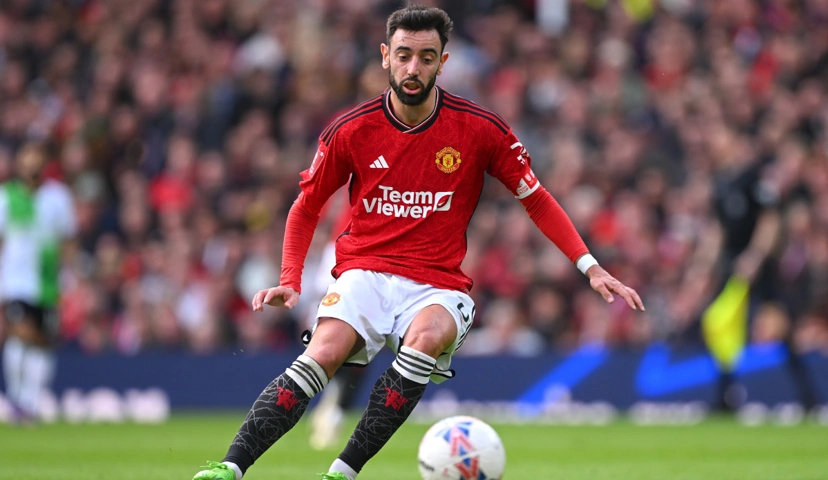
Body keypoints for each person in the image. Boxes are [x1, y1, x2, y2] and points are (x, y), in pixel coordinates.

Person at [193, 5, 643, 480]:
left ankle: (340, 473)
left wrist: (590, 266)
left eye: (426, 57)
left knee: (424, 340)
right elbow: (306, 206)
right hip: (364, 270)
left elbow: (536, 200)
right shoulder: (351, 129)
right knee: (324, 352)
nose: (414, 68)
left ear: (442, 62)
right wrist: (290, 278)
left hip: (438, 283)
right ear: (386, 56)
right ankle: (230, 468)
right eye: (404, 55)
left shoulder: (480, 129)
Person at [1, 144, 77, 423]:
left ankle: (31, 403)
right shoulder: (6, 197)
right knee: (21, 333)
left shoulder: (57, 197)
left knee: (43, 342)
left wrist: (69, 276)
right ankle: (17, 396)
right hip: (16, 280)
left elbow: (68, 238)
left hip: (48, 281)